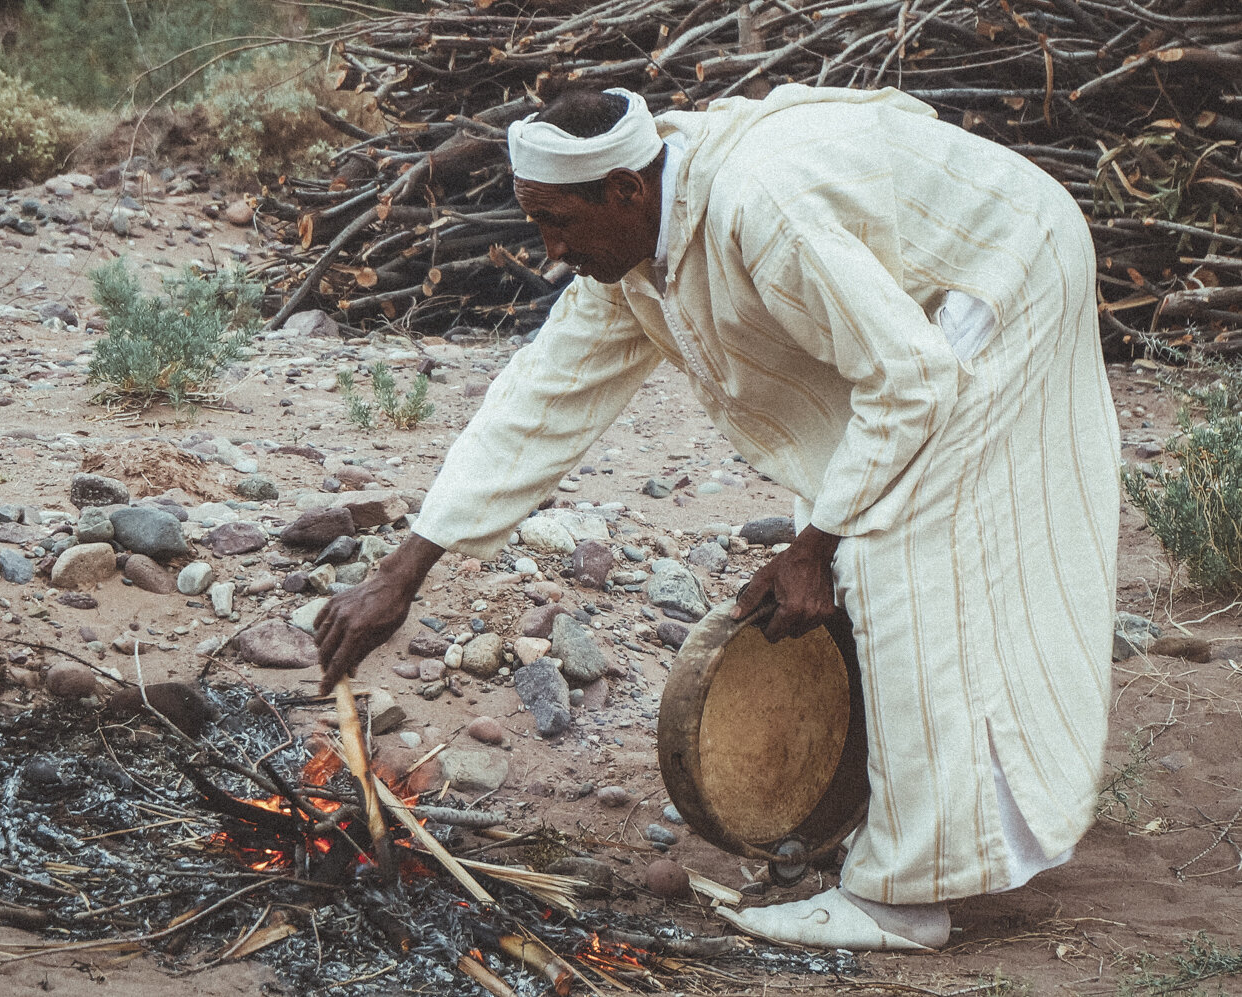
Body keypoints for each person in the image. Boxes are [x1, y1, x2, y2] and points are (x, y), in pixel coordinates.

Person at [314, 85, 1120, 951]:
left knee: (888, 548)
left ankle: (901, 900)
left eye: (556, 223)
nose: (550, 250)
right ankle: (927, 817)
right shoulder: (632, 250)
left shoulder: (759, 208)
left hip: (1007, 262)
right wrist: (404, 571)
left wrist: (812, 547)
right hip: (922, 314)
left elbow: (914, 379)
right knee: (870, 535)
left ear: (624, 189)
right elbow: (536, 404)